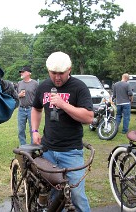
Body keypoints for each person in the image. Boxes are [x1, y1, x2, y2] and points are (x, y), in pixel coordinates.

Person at [31, 51, 94, 212]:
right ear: (48, 71)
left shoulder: (79, 87)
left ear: (69, 69)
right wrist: (34, 130)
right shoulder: (44, 86)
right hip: (48, 150)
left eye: (61, 73)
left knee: (77, 196)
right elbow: (36, 109)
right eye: (53, 73)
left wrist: (63, 104)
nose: (57, 78)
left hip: (71, 151)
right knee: (54, 195)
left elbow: (88, 117)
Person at [17, 66, 38, 145]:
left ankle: (33, 146)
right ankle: (23, 146)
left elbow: (38, 96)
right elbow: (15, 95)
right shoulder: (19, 83)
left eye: (23, 72)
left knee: (32, 129)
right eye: (21, 72)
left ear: (29, 73)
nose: (21, 73)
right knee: (21, 130)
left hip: (31, 109)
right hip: (21, 109)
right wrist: (19, 95)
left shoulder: (35, 83)